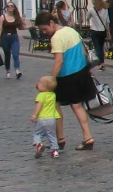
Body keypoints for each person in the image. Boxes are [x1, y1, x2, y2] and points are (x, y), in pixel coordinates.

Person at [36, 10, 97, 151]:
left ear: (51, 23)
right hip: (82, 71)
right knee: (76, 105)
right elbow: (83, 50)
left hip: (68, 76)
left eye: (45, 29)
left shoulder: (56, 38)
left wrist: (51, 79)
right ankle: (84, 137)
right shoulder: (71, 30)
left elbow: (59, 61)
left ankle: (63, 138)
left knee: (57, 105)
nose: (44, 32)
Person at [30, 75, 60, 158]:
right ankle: (55, 152)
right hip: (52, 119)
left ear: (43, 87)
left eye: (39, 83)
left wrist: (34, 114)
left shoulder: (41, 95)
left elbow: (39, 105)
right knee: (52, 135)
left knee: (37, 133)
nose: (37, 84)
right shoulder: (53, 95)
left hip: (42, 118)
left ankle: (39, 145)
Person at [0, 2, 25, 79]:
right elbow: (0, 29)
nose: (10, 7)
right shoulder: (2, 17)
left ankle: (17, 71)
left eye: (11, 6)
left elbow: (21, 27)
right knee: (7, 55)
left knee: (15, 54)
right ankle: (8, 71)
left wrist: (30, 26)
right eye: (8, 6)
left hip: (14, 37)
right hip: (5, 38)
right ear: (6, 8)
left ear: (14, 8)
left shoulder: (16, 17)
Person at [87, 0, 108, 68]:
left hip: (94, 30)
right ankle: (102, 62)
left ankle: (99, 63)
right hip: (103, 31)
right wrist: (108, 31)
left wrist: (91, 22)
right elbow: (107, 21)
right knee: (101, 47)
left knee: (97, 47)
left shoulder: (91, 10)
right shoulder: (105, 9)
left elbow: (87, 18)